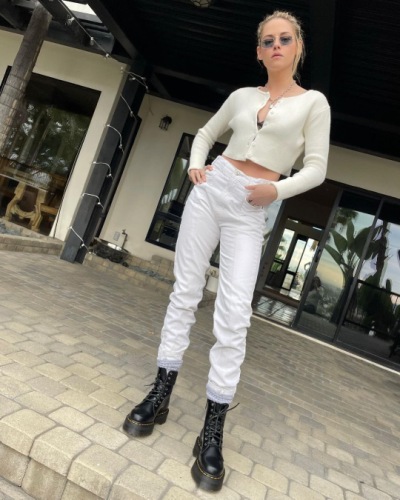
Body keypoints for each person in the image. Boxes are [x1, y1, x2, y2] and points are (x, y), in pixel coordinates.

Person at [123, 10, 331, 492]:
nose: (276, 46)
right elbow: (205, 134)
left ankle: (212, 429)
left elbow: (317, 168)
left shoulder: (313, 103)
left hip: (251, 208)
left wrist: (275, 192)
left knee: (235, 314)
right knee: (185, 293)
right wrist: (196, 166)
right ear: (258, 51)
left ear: (298, 46)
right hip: (212, 190)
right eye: (268, 41)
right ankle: (160, 394)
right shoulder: (241, 96)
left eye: (284, 39)